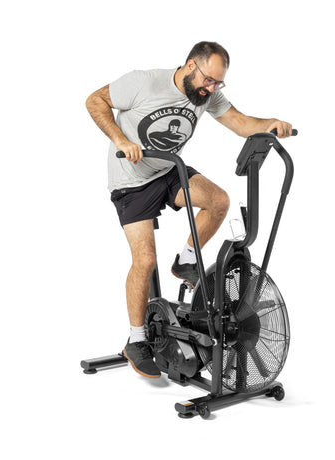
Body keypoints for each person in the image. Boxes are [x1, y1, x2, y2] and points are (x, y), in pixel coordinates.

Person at [86, 41, 293, 379]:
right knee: (145, 260)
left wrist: (269, 123)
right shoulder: (144, 82)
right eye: (207, 80)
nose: (210, 89)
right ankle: (136, 340)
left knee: (219, 201)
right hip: (131, 180)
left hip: (169, 170)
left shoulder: (206, 95)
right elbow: (95, 100)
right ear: (189, 66)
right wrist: (121, 141)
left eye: (217, 83)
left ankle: (185, 260)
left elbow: (239, 122)